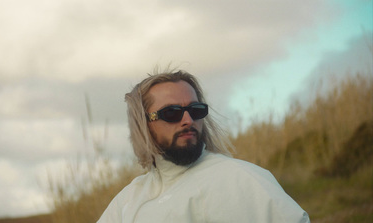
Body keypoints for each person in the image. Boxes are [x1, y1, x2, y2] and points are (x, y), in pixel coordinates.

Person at [97, 69, 310, 223]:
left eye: (196, 110)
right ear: (143, 124)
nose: (188, 120)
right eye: (171, 113)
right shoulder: (128, 199)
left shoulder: (241, 179)